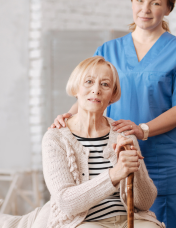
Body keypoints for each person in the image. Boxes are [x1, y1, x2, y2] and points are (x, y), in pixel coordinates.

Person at [51, 0, 176, 227]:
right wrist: (67, 117)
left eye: (156, 3)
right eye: (139, 1)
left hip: (165, 163)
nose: (145, 9)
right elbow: (90, 93)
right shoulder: (108, 50)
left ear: (168, 8)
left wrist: (142, 129)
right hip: (113, 162)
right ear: (132, 3)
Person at [0, 56, 163, 228]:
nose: (96, 90)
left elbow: (144, 203)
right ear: (76, 88)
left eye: (105, 84)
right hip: (82, 221)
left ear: (113, 95)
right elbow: (67, 203)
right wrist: (115, 174)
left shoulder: (124, 135)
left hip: (130, 219)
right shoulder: (56, 138)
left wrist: (133, 169)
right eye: (89, 82)